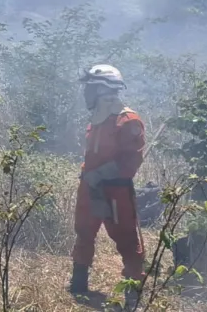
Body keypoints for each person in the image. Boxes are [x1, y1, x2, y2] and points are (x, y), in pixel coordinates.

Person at [69, 64, 147, 307]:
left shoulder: (128, 121)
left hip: (116, 191)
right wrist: (90, 179)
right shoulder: (97, 119)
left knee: (126, 239)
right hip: (90, 188)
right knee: (84, 232)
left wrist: (99, 176)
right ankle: (79, 284)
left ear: (103, 90)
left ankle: (133, 294)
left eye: (90, 88)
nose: (86, 94)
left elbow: (129, 162)